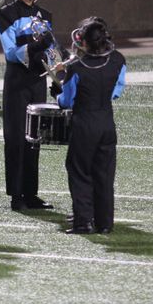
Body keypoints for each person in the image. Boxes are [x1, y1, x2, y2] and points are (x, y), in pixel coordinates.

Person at [55, 17, 126, 235]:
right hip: (107, 122)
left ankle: (83, 222)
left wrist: (58, 84)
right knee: (104, 174)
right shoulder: (117, 59)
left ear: (84, 42)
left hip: (84, 124)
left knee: (79, 171)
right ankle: (105, 223)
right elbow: (117, 90)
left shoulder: (77, 67)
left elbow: (66, 101)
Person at [0, 0, 57, 211]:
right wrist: (35, 46)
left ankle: (31, 193)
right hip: (17, 81)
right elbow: (11, 52)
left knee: (35, 137)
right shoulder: (5, 14)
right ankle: (16, 195)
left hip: (37, 80)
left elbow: (52, 53)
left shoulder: (45, 15)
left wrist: (58, 75)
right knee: (16, 137)